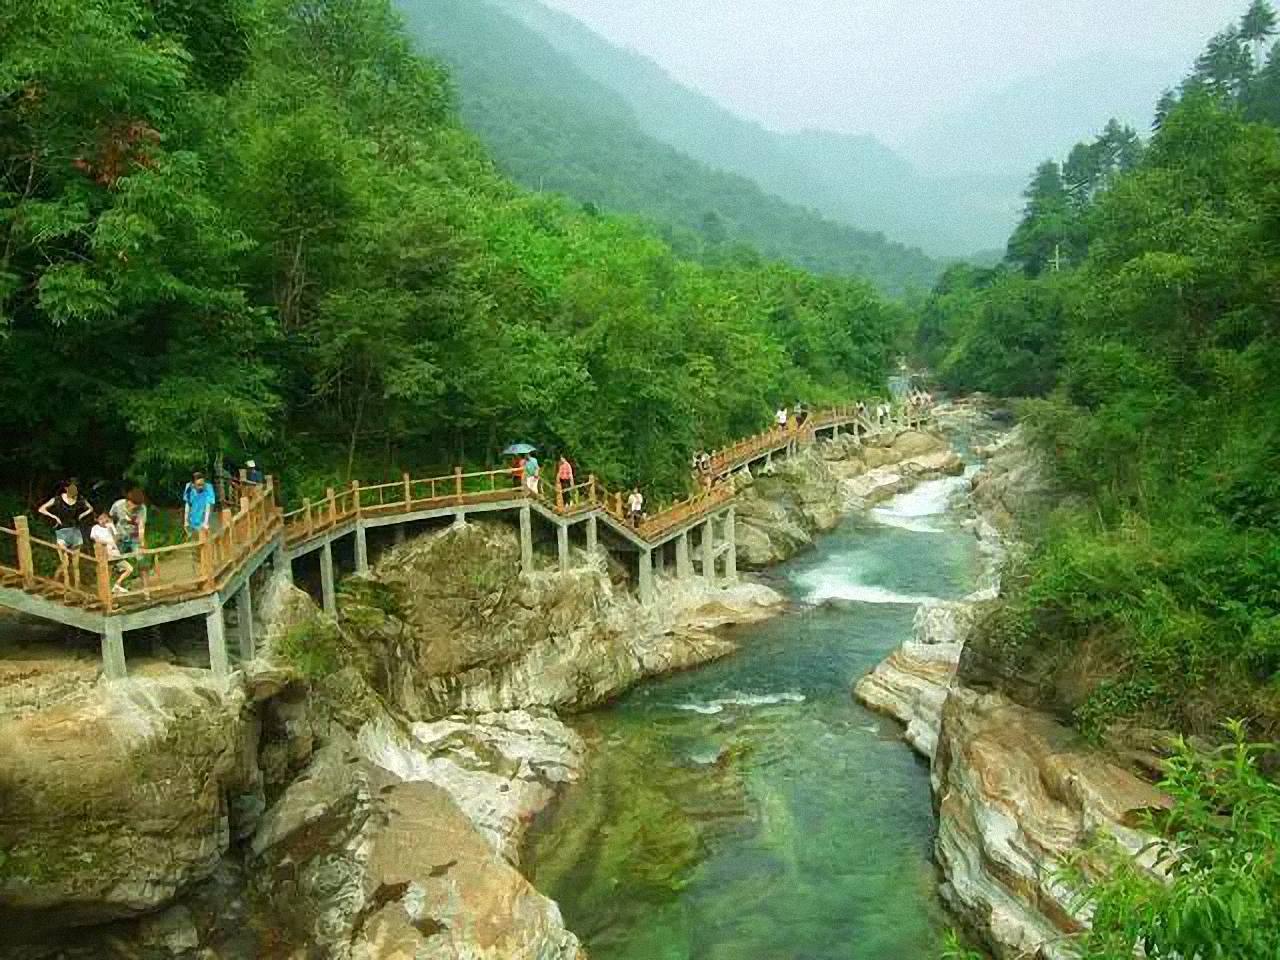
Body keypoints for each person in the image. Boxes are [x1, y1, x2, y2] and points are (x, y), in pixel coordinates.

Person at [38, 480, 93, 585]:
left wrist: (82, 515)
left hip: (75, 531)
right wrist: (54, 517)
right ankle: (64, 585)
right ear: (66, 489)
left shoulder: (80, 500)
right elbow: (41, 509)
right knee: (65, 562)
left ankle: (77, 586)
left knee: (75, 564)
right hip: (62, 531)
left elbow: (90, 508)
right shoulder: (58, 499)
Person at [90, 511, 133, 595]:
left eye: (105, 518)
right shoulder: (95, 528)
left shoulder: (110, 526)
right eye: (100, 519)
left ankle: (117, 584)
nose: (103, 520)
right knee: (106, 574)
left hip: (115, 554)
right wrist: (107, 543)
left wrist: (111, 528)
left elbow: (116, 539)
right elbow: (95, 540)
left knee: (129, 568)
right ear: (97, 520)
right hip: (104, 554)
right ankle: (105, 593)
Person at [109, 488, 147, 556]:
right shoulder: (118, 505)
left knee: (141, 558)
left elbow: (141, 526)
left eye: (136, 506)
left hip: (134, 537)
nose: (134, 507)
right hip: (120, 536)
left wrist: (142, 543)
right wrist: (112, 537)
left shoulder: (142, 509)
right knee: (116, 558)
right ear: (128, 500)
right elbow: (110, 520)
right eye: (133, 504)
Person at [183, 471, 217, 539]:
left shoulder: (208, 488)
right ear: (193, 484)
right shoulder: (189, 488)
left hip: (205, 518)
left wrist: (206, 522)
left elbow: (208, 506)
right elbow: (187, 505)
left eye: (202, 484)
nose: (201, 487)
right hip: (193, 519)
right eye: (198, 485)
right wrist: (186, 521)